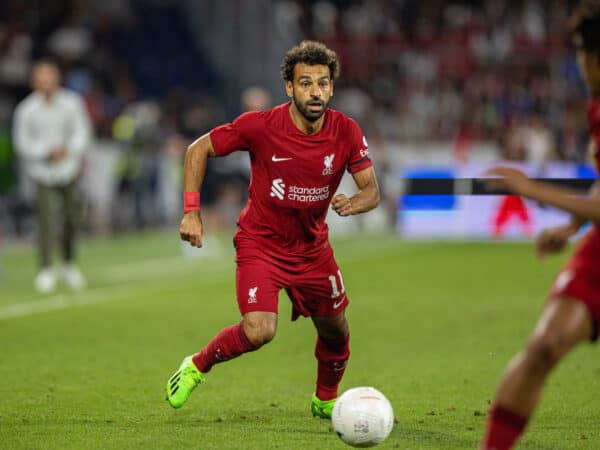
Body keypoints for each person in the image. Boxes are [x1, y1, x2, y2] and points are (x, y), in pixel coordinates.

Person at [165, 41, 380, 418]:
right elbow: (196, 150)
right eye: (306, 83)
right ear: (289, 88)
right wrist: (192, 212)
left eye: (323, 83)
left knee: (336, 331)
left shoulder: (346, 130)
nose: (316, 92)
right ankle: (197, 365)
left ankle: (325, 399)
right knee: (260, 330)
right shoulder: (261, 126)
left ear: (332, 87)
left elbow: (372, 191)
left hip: (313, 249)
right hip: (261, 244)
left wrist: (354, 203)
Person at [480, 2, 600, 448]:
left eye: (580, 52)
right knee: (545, 345)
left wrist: (530, 189)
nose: (578, 63)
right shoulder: (596, 109)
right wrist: (571, 228)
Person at [13, 60, 92, 293]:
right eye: (41, 78)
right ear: (34, 82)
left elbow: (82, 132)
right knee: (46, 221)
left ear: (57, 79)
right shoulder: (26, 110)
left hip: (69, 168)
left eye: (50, 77)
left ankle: (69, 264)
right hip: (42, 171)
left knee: (72, 218)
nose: (46, 82)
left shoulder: (72, 103)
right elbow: (22, 142)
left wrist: (68, 150)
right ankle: (46, 269)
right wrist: (45, 153)